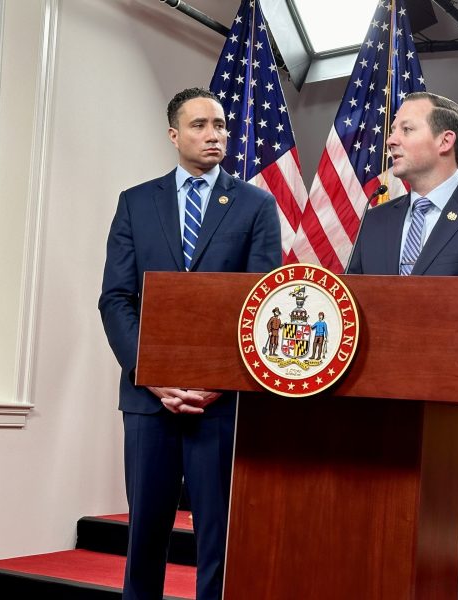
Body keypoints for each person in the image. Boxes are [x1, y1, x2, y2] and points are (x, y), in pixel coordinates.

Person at [347, 91, 458, 600]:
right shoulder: (378, 220)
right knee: (374, 546)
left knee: (446, 557)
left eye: (406, 129)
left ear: (445, 140)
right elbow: (352, 308)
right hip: (374, 415)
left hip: (457, 420)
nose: (391, 139)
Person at [99, 87, 281, 600]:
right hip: (147, 402)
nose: (215, 134)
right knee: (146, 535)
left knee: (217, 542)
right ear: (175, 135)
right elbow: (115, 299)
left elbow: (261, 302)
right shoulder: (136, 202)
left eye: (221, 124)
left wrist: (217, 381)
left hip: (220, 404)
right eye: (200, 125)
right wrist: (153, 377)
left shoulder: (255, 205)